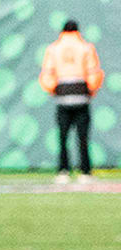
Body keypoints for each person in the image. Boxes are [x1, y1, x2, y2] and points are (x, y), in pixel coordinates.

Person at [40, 20, 105, 184]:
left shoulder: (53, 48)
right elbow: (93, 72)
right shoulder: (86, 48)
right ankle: (85, 172)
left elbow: (47, 73)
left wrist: (54, 89)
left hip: (62, 97)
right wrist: (91, 90)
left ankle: (63, 171)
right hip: (82, 96)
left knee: (63, 137)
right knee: (82, 137)